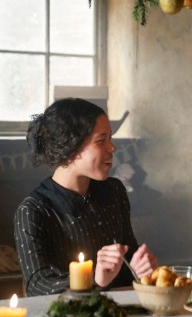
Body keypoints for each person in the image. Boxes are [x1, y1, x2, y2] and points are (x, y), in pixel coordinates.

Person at [14, 98, 158, 296]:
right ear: (69, 147)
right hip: (69, 313)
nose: (112, 148)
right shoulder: (32, 211)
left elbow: (129, 254)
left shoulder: (114, 190)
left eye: (110, 138)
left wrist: (140, 267)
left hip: (126, 306)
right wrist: (93, 279)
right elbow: (37, 286)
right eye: (101, 141)